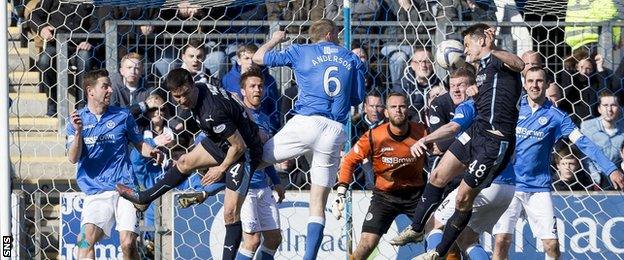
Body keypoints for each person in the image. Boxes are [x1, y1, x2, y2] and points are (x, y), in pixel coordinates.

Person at [390, 24, 526, 260]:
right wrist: (475, 89)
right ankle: (416, 228)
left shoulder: (498, 61)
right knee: (438, 175)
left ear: (482, 40)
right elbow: (483, 96)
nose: (464, 50)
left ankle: (438, 253)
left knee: (463, 198)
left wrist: (491, 49)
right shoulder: (481, 70)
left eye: (467, 44)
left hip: (494, 142)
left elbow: (519, 64)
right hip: (475, 133)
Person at [116, 68, 264, 260]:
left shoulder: (212, 112)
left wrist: (221, 168)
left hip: (243, 152)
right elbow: (234, 98)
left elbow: (238, 146)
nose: (182, 100)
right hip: (220, 141)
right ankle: (145, 197)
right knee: (184, 161)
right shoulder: (201, 89)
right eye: (177, 97)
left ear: (192, 85)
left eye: (185, 94)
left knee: (230, 213)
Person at [252, 19, 366, 260]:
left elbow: (258, 58)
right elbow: (357, 98)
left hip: (306, 122)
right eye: (337, 32)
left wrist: (275, 39)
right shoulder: (352, 58)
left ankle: (215, 191)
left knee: (254, 161)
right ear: (330, 33)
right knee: (318, 201)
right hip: (334, 129)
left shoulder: (299, 51)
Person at [491, 68, 624, 260]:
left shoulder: (557, 116)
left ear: (546, 85)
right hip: (509, 186)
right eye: (530, 81)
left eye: (539, 81)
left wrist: (610, 168)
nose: (534, 85)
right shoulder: (514, 108)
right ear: (525, 84)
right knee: (501, 241)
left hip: (538, 189)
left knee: (551, 245)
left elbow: (584, 143)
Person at [178, 69, 286, 260]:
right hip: (245, 188)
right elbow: (209, 147)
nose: (257, 90)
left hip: (263, 185)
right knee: (251, 241)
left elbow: (263, 155)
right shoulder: (232, 115)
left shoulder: (265, 118)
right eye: (252, 86)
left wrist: (276, 180)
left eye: (260, 86)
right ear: (242, 91)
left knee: (274, 238)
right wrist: (206, 189)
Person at [66, 69, 163, 260]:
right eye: (105, 86)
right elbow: (73, 158)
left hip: (124, 188)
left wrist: (151, 151)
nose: (111, 90)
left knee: (128, 244)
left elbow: (139, 143)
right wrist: (78, 133)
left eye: (110, 85)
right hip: (96, 191)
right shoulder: (77, 120)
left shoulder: (122, 116)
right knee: (84, 242)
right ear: (90, 91)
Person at [418, 73, 515, 260]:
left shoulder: (469, 107)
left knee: (432, 224)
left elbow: (452, 129)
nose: (455, 89)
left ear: (472, 87)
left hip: (483, 183)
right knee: (467, 239)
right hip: (508, 184)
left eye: (461, 85)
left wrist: (426, 140)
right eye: (452, 85)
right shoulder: (497, 110)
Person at [332, 92, 427, 259]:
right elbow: (349, 161)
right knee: (367, 244)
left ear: (408, 109)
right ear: (386, 112)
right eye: (393, 107)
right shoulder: (374, 136)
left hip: (417, 195)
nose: (398, 110)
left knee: (439, 234)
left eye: (402, 106)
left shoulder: (422, 132)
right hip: (385, 196)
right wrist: (341, 191)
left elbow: (442, 150)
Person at [222, 44, 281, 133]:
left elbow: (275, 109)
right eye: (246, 58)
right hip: (236, 128)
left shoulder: (269, 81)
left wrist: (271, 131)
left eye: (253, 59)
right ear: (239, 60)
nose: (250, 62)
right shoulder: (227, 79)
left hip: (262, 127)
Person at [580, 91, 624, 189]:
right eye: (605, 105)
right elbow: (585, 157)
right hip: (593, 181)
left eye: (613, 105)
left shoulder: (622, 129)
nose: (609, 110)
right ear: (599, 109)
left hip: (619, 180)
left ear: (619, 108)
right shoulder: (587, 127)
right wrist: (596, 179)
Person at [393, 47, 441, 122]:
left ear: (432, 64)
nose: (423, 65)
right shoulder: (402, 85)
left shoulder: (439, 84)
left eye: (427, 61)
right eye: (419, 61)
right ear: (412, 65)